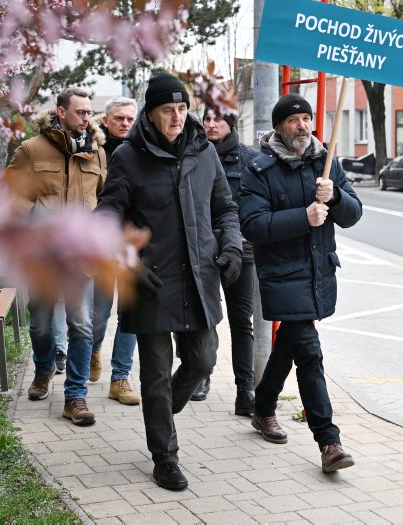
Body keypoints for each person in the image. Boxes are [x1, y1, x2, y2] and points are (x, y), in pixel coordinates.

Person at [96, 71, 242, 491]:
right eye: (167, 110)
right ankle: (165, 457)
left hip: (198, 276)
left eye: (181, 108)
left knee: (203, 360)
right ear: (150, 113)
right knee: (155, 375)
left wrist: (231, 247)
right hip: (151, 281)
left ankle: (161, 412)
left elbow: (225, 208)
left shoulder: (204, 151)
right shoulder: (129, 157)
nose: (177, 117)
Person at [238, 93, 362, 473]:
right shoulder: (260, 168)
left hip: (318, 273)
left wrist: (335, 196)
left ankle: (263, 408)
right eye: (293, 120)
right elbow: (253, 225)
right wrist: (303, 217)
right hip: (282, 275)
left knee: (289, 345)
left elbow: (353, 214)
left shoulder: (327, 161)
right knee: (309, 351)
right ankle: (329, 442)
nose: (302, 126)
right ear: (279, 127)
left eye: (306, 118)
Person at [6, 87, 106, 427]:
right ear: (61, 112)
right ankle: (44, 367)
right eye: (81, 112)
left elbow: (104, 197)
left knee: (81, 325)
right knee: (40, 324)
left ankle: (75, 396)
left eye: (89, 112)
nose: (87, 118)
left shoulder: (96, 152)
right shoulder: (30, 150)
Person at [191, 107, 258, 415]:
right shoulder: (195, 155)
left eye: (217, 119)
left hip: (242, 252)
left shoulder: (249, 158)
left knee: (242, 322)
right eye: (206, 119)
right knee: (204, 317)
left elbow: (255, 205)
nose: (210, 124)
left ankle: (246, 390)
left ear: (231, 123)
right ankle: (201, 375)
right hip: (202, 253)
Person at [91, 96, 141, 406]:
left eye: (130, 119)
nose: (125, 123)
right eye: (119, 118)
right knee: (99, 312)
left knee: (130, 313)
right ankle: (93, 349)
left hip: (134, 244)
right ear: (106, 120)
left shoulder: (143, 151)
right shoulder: (92, 152)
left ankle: (120, 377)